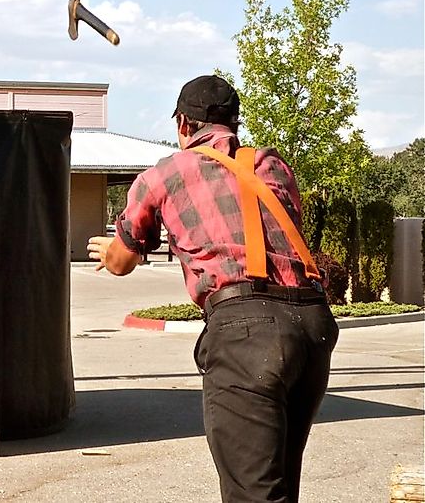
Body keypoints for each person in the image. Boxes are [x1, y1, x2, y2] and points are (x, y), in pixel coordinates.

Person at [87, 74, 339, 503]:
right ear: (234, 123)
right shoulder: (272, 164)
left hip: (246, 330)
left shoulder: (165, 173)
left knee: (254, 495)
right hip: (313, 325)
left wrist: (108, 251)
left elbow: (124, 260)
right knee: (277, 485)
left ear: (184, 125)